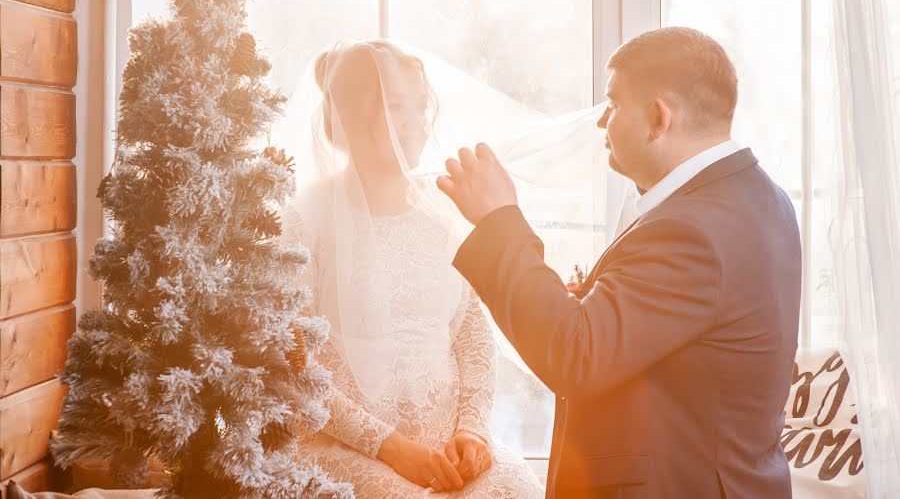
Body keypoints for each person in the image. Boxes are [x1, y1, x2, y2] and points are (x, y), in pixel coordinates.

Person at [438, 27, 802, 498]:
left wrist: (499, 220)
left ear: (657, 118)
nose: (600, 121)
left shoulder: (693, 230)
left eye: (613, 105)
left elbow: (577, 353)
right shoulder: (759, 197)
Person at [279, 40, 544, 498]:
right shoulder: (304, 222)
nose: (416, 124)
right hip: (344, 448)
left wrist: (473, 433)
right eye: (396, 108)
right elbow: (291, 361)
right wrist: (390, 448)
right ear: (350, 121)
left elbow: (472, 332)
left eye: (420, 108)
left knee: (513, 490)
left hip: (447, 445)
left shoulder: (445, 215)